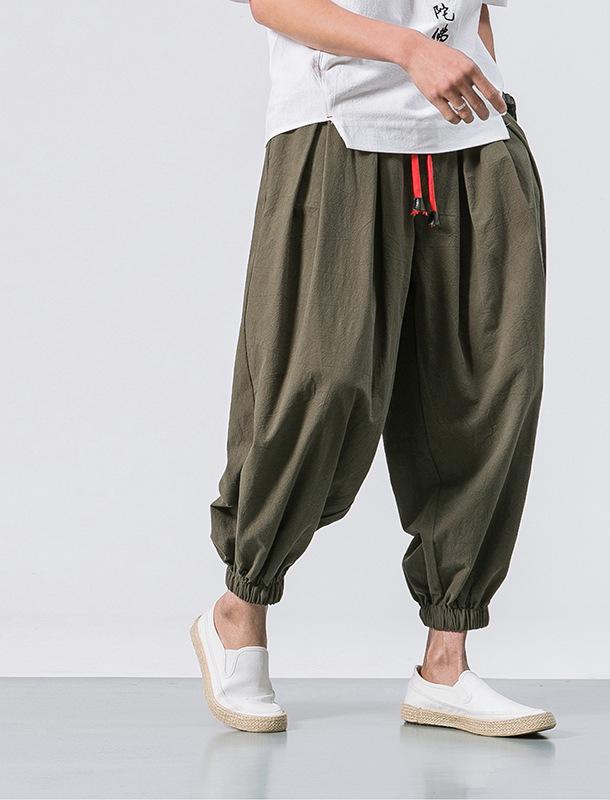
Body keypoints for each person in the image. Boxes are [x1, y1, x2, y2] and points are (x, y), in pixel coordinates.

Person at [191, 0, 552, 737]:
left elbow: (477, 12)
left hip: (472, 138)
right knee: (319, 380)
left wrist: (485, 78)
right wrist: (410, 50)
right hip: (337, 128)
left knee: (487, 391)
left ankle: (446, 663)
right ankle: (239, 609)